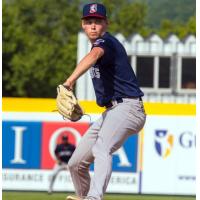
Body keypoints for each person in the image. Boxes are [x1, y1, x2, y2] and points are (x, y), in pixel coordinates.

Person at [64, 3, 146, 200]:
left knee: (102, 147)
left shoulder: (106, 42)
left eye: (98, 21)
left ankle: (94, 198)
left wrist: (69, 81)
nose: (93, 25)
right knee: (76, 163)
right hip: (111, 111)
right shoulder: (98, 42)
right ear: (83, 25)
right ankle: (84, 197)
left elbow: (94, 56)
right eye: (89, 21)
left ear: (106, 24)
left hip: (129, 108)